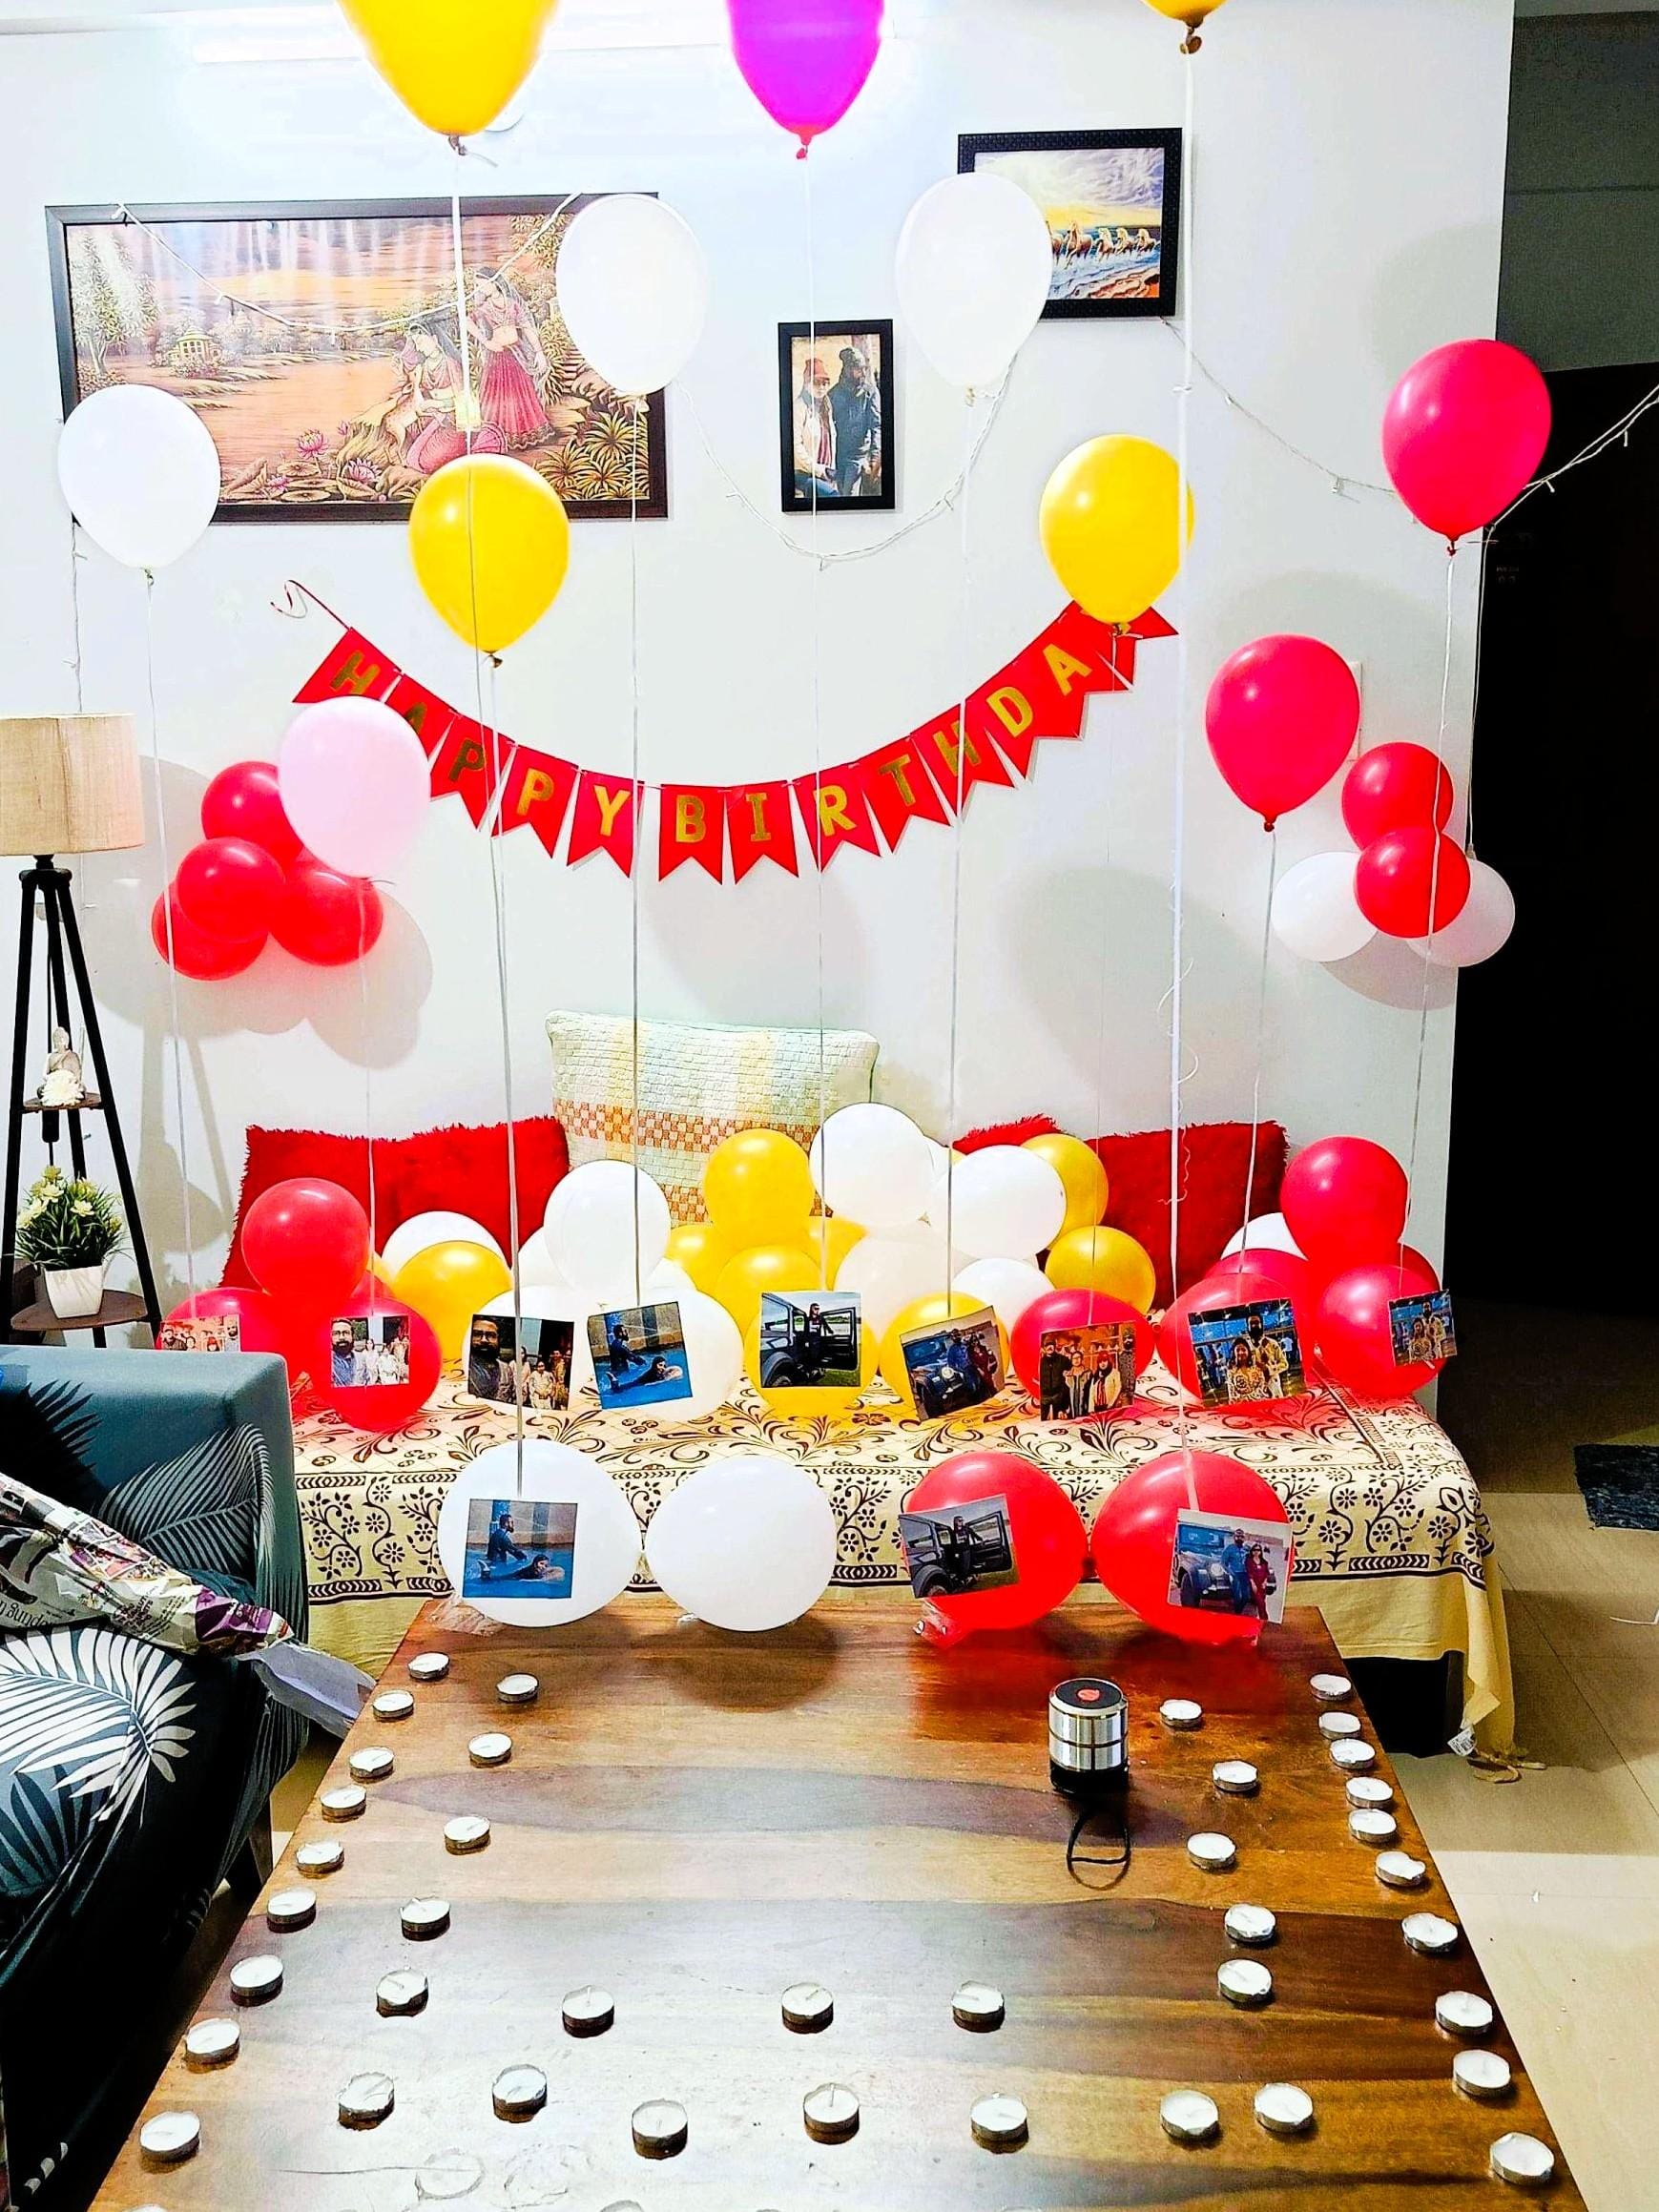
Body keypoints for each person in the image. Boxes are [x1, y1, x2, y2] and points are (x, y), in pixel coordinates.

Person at [468, 274, 550, 446]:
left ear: (494, 282)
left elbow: (527, 328)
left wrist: (539, 352)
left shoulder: (513, 304)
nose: (480, 289)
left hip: (515, 353)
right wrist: (486, 342)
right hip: (497, 356)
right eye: (478, 285)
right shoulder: (484, 307)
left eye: (483, 284)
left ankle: (521, 433)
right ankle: (497, 436)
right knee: (498, 395)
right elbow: (467, 322)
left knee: (520, 394)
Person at [827, 344, 881, 499]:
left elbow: (876, 426)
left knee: (849, 495)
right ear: (848, 369)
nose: (863, 373)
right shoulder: (833, 394)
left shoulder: (870, 392)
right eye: (859, 369)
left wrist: (874, 457)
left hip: (858, 457)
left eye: (864, 368)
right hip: (838, 457)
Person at [794, 354, 837, 501]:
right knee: (833, 497)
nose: (821, 387)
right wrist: (818, 470)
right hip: (804, 473)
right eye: (816, 383)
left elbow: (830, 442)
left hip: (824, 473)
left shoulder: (826, 406)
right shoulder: (799, 407)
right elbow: (796, 446)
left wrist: (829, 472)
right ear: (807, 384)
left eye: (825, 383)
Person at [484, 1505, 528, 1579]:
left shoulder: (496, 1533)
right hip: (499, 1566)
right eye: (511, 1522)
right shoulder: (503, 1538)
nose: (513, 1525)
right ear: (506, 1524)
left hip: (492, 1563)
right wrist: (525, 1559)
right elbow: (514, 1551)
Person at [468, 1316, 506, 1402]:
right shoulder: (463, 1366)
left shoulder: (506, 1370)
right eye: (477, 1334)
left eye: (491, 1335)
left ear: (499, 1339)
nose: (484, 1340)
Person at [330, 1319, 372, 1390]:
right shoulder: (324, 1363)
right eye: (336, 1333)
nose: (341, 1337)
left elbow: (367, 1382)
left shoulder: (360, 1358)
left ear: (352, 1336)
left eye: (346, 1333)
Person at [1037, 1335, 1070, 1419]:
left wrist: (1068, 1373)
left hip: (1058, 1395)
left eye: (1051, 1344)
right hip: (1044, 1396)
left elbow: (1073, 1368)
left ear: (1055, 1346)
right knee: (1043, 1419)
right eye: (1047, 1345)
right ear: (1044, 1348)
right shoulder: (1040, 1362)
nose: (1049, 1347)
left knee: (1058, 1420)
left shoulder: (1063, 1360)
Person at [1220, 1527, 1251, 1612]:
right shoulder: (1230, 1548)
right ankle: (1237, 1613)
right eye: (1237, 1536)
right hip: (1235, 1574)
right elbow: (1223, 1562)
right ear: (1234, 1538)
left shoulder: (1247, 1549)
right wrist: (1230, 1573)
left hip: (1245, 1574)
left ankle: (1238, 1610)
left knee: (1246, 1596)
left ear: (1244, 1538)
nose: (1239, 1538)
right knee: (1237, 1596)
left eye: (1241, 1537)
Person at [1246, 1540, 1275, 1621]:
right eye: (1255, 1550)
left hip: (1262, 1586)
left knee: (1262, 1603)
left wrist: (1265, 1582)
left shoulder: (1264, 1562)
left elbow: (1266, 1573)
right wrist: (1253, 1584)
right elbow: (1249, 1573)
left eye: (1258, 1550)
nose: (1256, 1551)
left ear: (1260, 1551)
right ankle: (1264, 1619)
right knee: (1261, 1603)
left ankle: (1261, 1619)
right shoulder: (1249, 1561)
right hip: (1254, 1585)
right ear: (1252, 1551)